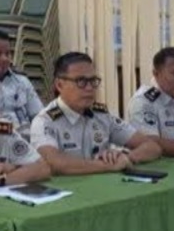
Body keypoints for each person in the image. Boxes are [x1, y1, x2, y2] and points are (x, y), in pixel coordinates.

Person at [29, 52, 162, 175]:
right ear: (59, 85)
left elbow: (152, 146)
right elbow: (54, 163)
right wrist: (108, 166)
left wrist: (126, 157)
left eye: (93, 81)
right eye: (81, 81)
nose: (89, 88)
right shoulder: (45, 121)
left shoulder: (102, 115)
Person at [0, 29, 44, 138]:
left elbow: (39, 117)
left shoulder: (22, 82)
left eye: (7, 53)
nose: (5, 58)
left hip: (27, 140)